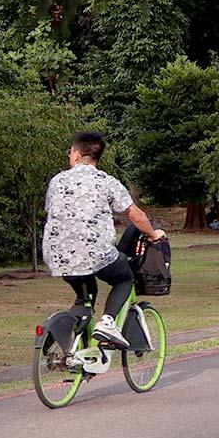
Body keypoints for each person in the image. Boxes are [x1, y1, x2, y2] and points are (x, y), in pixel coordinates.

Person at [42, 131, 167, 351]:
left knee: (85, 297)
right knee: (124, 278)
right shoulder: (106, 181)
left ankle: (71, 335)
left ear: (78, 155)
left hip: (57, 255)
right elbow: (135, 215)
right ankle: (108, 322)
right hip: (95, 253)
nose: (69, 156)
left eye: (70, 152)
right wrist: (153, 233)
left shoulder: (57, 181)